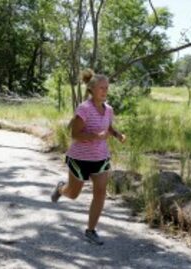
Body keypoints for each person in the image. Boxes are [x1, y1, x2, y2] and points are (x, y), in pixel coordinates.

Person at [51, 69, 126, 245]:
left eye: (107, 87)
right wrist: (94, 136)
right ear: (92, 89)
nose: (105, 91)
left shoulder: (108, 110)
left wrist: (117, 135)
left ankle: (91, 230)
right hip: (80, 159)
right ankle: (61, 189)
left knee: (100, 193)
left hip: (101, 158)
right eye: (101, 87)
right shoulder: (84, 108)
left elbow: (108, 128)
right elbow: (75, 134)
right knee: (73, 194)